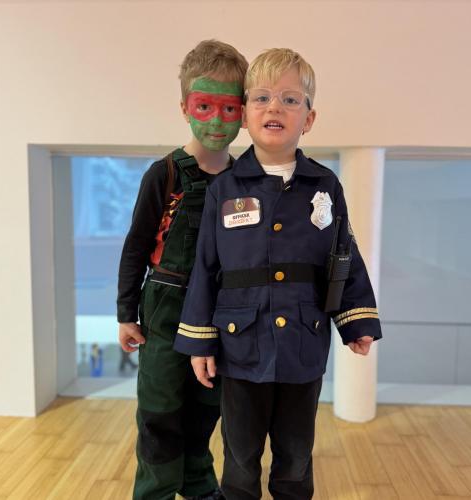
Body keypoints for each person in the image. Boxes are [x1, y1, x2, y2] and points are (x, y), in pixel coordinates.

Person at [174, 48, 383, 500]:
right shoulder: (224, 189)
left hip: (303, 345)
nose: (275, 108)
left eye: (290, 100)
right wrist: (199, 342)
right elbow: (206, 267)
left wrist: (357, 320)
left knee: (296, 457)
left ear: (309, 118)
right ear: (245, 113)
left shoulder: (324, 185)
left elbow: (344, 254)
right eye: (262, 98)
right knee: (240, 459)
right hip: (239, 346)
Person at [117, 40, 248, 500]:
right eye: (204, 106)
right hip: (165, 308)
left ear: (244, 112)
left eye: (229, 108)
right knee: (159, 409)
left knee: (206, 406)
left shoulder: (245, 180)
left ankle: (198, 485)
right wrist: (125, 312)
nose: (216, 120)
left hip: (220, 312)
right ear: (184, 108)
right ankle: (154, 491)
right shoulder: (165, 174)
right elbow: (136, 246)